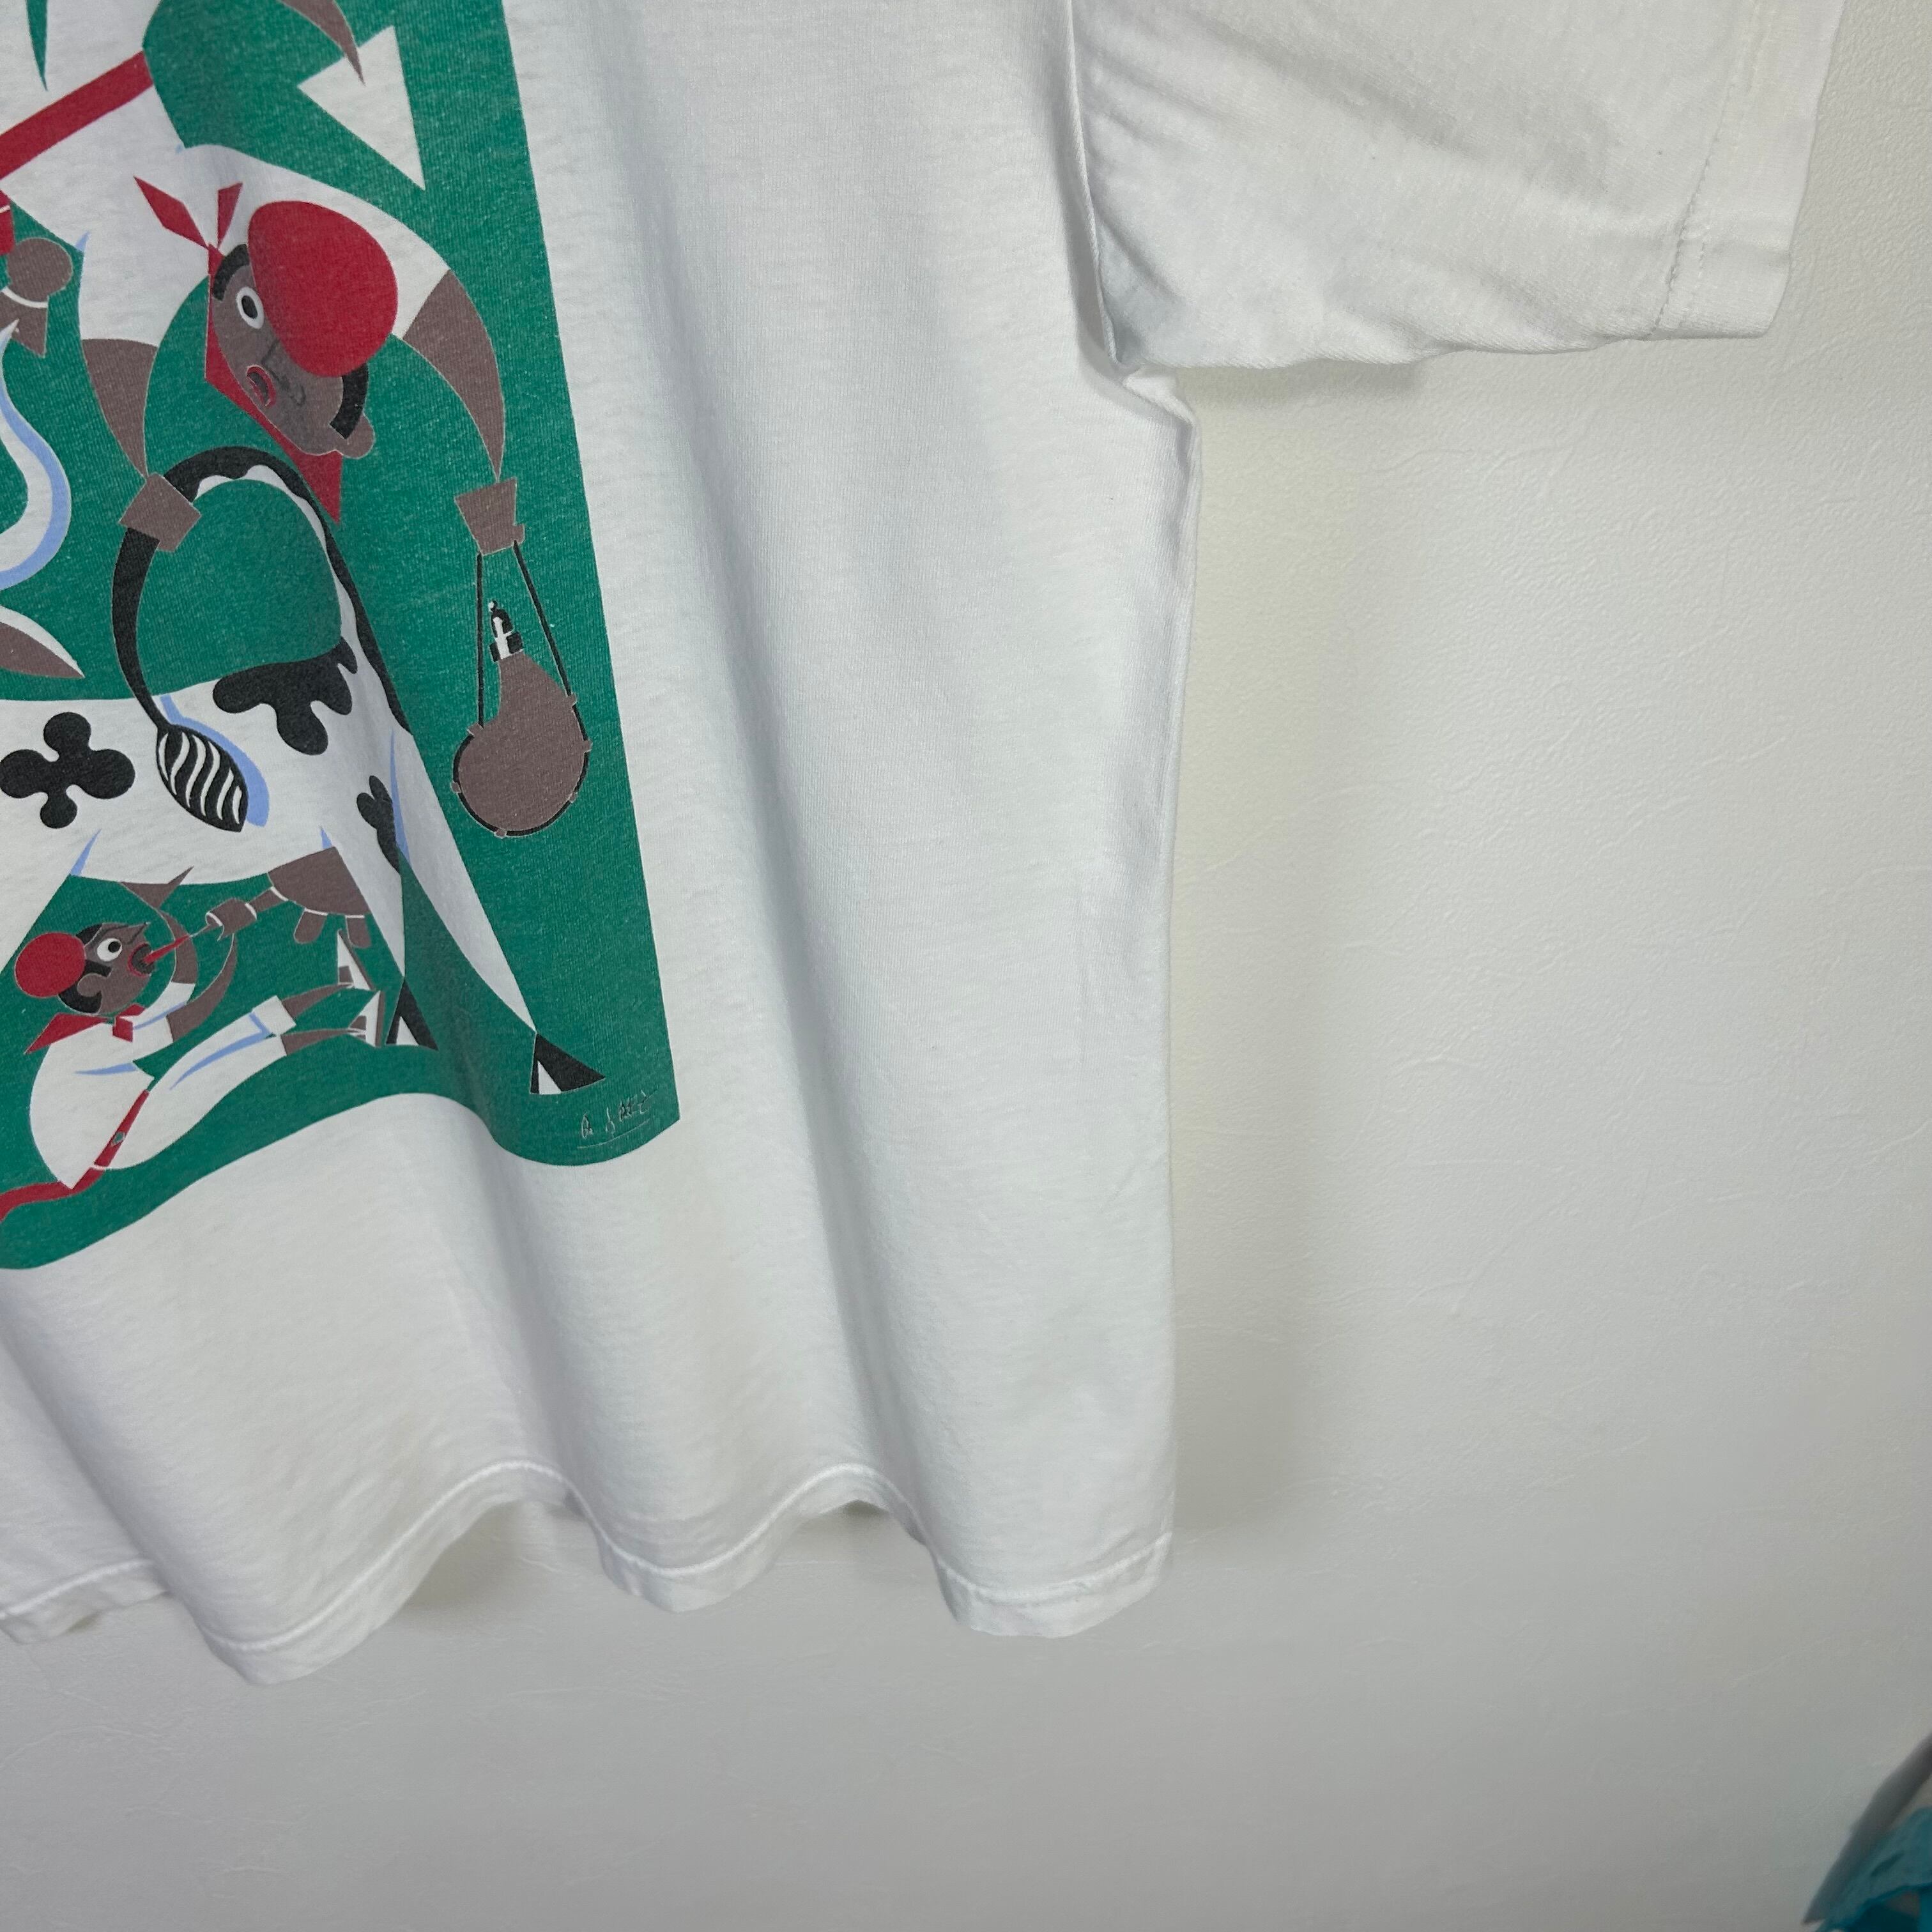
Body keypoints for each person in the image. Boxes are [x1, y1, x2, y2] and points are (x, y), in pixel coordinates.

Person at [0, 0, 519, 542]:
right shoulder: (248, 200)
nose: (269, 362)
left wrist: (155, 498)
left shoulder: (139, 274)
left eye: (267, 387)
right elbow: (436, 307)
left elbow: (120, 385)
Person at [0, 889, 380, 1226]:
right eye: (115, 947)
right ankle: (352, 1023)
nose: (139, 935)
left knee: (237, 1043)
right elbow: (183, 1018)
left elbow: (175, 1002)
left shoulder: (90, 1032)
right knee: (236, 1055)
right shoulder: (83, 1043)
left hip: (123, 1124)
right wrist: (226, 952)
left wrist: (184, 931)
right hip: (120, 1139)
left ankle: (345, 988)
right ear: (90, 985)